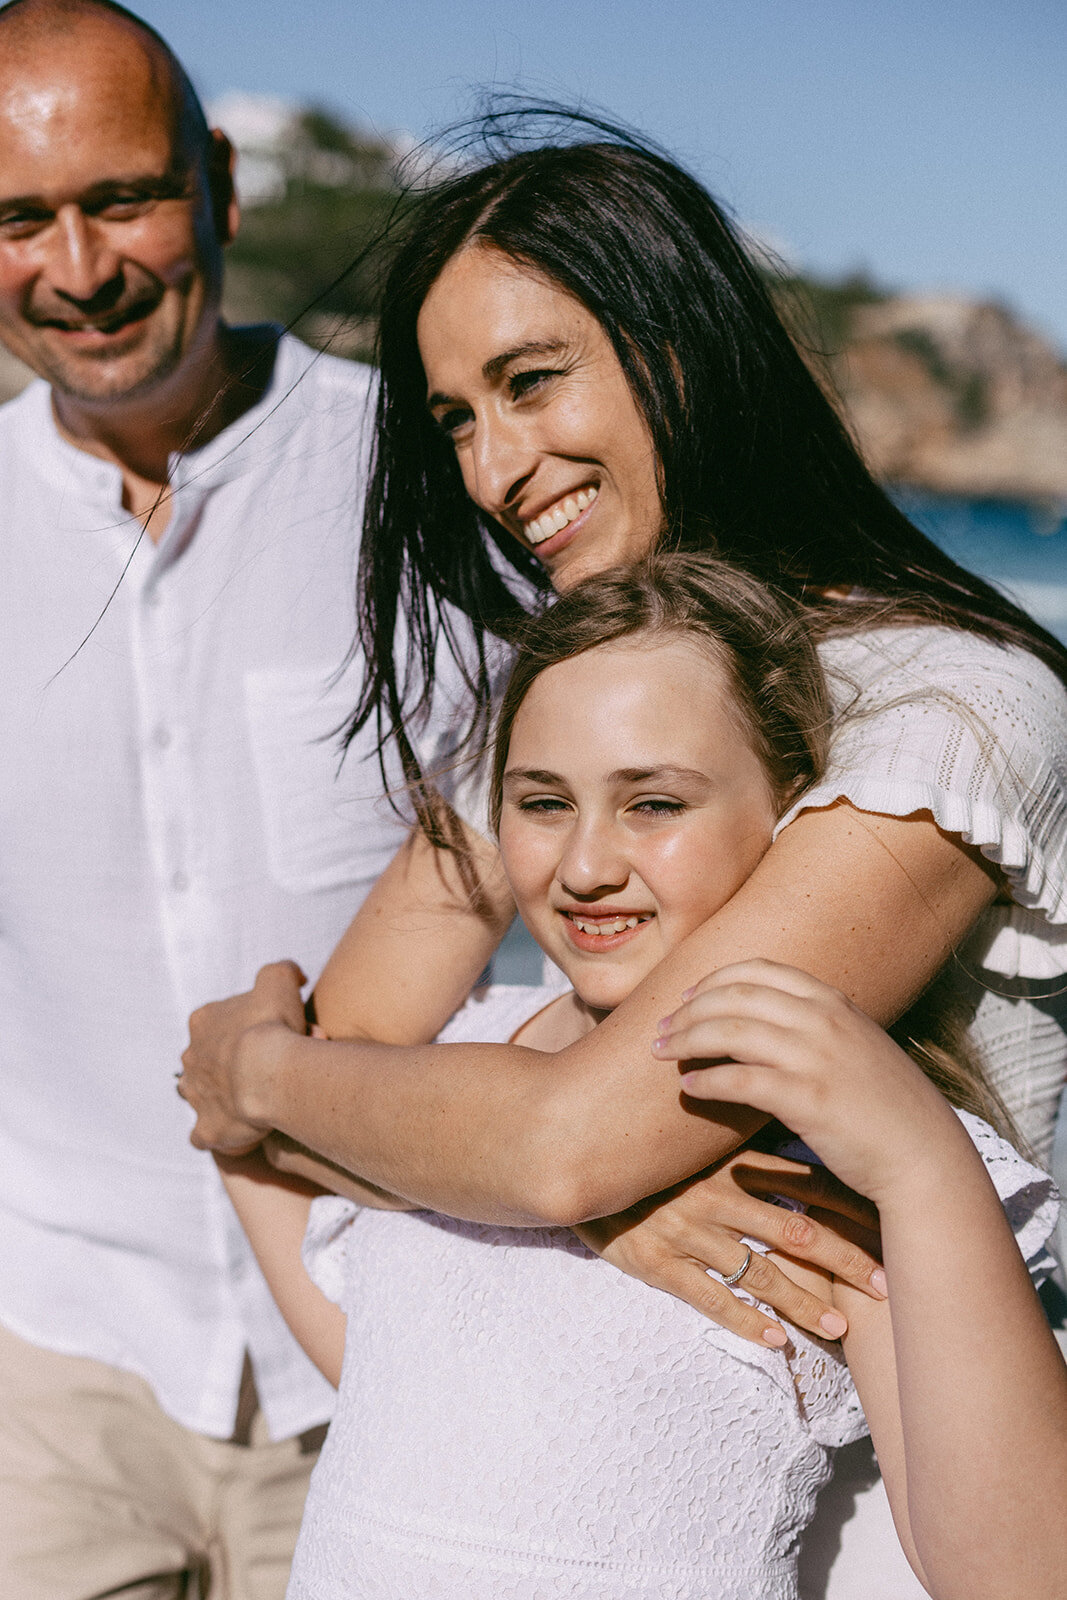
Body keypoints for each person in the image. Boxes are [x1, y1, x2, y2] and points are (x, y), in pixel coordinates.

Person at [179, 127, 1067, 1593]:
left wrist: (254, 1073)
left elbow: (519, 1132)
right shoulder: (578, 703)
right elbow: (362, 1094)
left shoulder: (943, 707)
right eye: (456, 418)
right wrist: (599, 1194)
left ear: (680, 347)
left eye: (530, 381)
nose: (495, 466)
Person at [221, 554, 1066, 1599]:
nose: (584, 866)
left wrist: (918, 1160)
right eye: (540, 803)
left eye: (652, 804)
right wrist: (241, 1112)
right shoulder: (457, 1063)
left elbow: (1019, 1572)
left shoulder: (828, 1149)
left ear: (790, 814)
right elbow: (384, 1376)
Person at [0, 2, 412, 1595]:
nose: (79, 268)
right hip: (55, 1358)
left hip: (388, 1331)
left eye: (123, 199)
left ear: (221, 183)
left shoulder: (421, 479)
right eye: (21, 219)